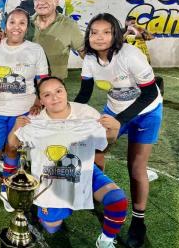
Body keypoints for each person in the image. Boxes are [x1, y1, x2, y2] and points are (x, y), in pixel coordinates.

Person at [74, 13, 163, 248]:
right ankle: (95, 192)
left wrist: (119, 120)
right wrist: (66, 113)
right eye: (94, 32)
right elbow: (84, 94)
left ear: (116, 33)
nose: (99, 37)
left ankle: (138, 221)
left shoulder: (130, 55)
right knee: (94, 151)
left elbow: (150, 93)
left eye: (106, 32)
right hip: (115, 111)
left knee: (136, 167)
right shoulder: (90, 58)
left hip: (147, 111)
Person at [8, 76, 127, 248]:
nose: (55, 97)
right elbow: (12, 145)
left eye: (58, 91)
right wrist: (16, 127)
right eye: (47, 95)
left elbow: (103, 146)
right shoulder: (35, 121)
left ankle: (106, 240)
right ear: (40, 100)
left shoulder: (86, 114)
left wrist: (114, 129)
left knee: (117, 199)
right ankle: (57, 208)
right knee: (51, 228)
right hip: (51, 180)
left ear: (65, 91)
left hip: (82, 171)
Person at [0, 7, 49, 216]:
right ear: (5, 25)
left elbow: (43, 81)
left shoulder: (36, 50)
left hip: (22, 113)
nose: (17, 27)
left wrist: (40, 100)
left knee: (12, 151)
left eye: (22, 23)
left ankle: (5, 190)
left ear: (27, 27)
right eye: (12, 22)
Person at [123, 16, 164, 94]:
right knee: (137, 78)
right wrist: (132, 29)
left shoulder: (139, 32)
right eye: (132, 23)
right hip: (136, 60)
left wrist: (142, 29)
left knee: (147, 77)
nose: (134, 25)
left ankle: (151, 93)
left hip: (145, 58)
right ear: (126, 22)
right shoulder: (127, 34)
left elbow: (152, 37)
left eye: (135, 23)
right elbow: (136, 36)